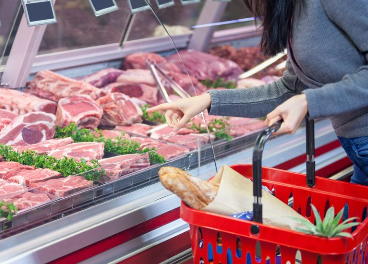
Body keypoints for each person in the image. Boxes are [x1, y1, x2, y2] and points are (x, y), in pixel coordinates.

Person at [148, 0, 368, 186]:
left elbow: (301, 96)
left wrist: (310, 101)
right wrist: (207, 101)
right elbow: (288, 90)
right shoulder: (294, 6)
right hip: (357, 148)